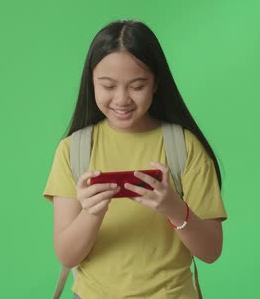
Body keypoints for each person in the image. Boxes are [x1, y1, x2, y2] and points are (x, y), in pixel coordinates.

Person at [43, 19, 227, 298]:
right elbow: (67, 257)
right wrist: (92, 213)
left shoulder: (184, 147)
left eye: (137, 86)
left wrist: (174, 208)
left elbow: (211, 251)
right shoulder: (73, 150)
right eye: (107, 85)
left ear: (156, 84)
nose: (121, 99)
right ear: (91, 82)